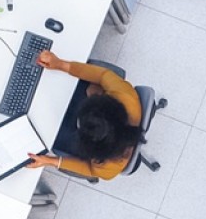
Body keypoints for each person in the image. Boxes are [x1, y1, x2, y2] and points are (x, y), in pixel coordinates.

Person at [25, 51, 143, 180]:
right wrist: (60, 64)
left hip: (84, 136)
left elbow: (90, 169)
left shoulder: (108, 167)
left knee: (39, 132)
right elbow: (103, 75)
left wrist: (50, 161)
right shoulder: (125, 97)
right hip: (93, 121)